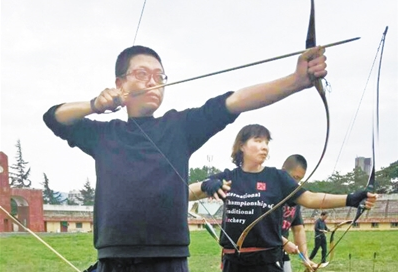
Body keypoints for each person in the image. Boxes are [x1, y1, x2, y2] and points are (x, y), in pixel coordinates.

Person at [43, 44, 329, 272]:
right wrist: (95, 104)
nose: (153, 82)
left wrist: (295, 81)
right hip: (113, 260)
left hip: (169, 260)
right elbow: (54, 117)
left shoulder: (179, 128)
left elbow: (234, 101)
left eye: (159, 76)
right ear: (120, 82)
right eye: (142, 74)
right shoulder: (104, 135)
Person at [197, 124, 377, 272]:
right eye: (258, 140)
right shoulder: (229, 177)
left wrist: (350, 199)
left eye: (267, 142)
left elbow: (311, 199)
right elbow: (187, 192)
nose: (264, 146)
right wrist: (205, 184)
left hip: (267, 262)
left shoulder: (277, 177)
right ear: (242, 145)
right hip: (233, 263)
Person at [280, 154, 316, 272]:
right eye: (295, 178)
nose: (296, 183)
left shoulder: (295, 196)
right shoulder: (269, 191)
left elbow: (298, 229)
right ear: (283, 172)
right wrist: (284, 242)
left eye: (299, 180)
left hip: (280, 253)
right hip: (260, 255)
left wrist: (306, 258)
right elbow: (260, 227)